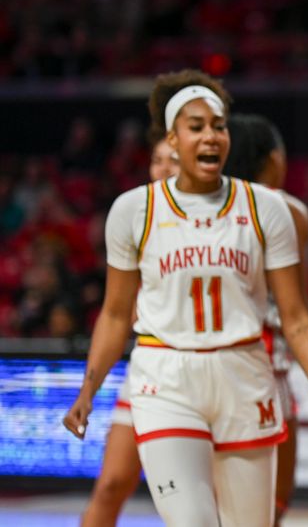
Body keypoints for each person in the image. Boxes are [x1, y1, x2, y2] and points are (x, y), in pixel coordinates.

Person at [63, 69, 308, 527]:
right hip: (166, 375)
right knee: (191, 520)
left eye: (218, 125)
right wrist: (89, 388)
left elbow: (297, 317)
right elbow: (115, 314)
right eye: (196, 127)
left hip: (243, 372)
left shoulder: (266, 208)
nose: (211, 135)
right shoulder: (134, 209)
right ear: (172, 141)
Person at [223, 113, 308, 525]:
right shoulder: (289, 210)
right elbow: (295, 305)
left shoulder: (205, 207)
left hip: (209, 353)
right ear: (272, 158)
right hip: (263, 356)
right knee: (271, 501)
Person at [80, 135, 179, 527]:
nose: (164, 169)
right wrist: (89, 389)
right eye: (157, 160)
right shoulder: (136, 217)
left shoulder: (220, 220)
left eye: (173, 160)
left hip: (203, 368)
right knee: (111, 484)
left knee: (193, 502)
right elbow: (115, 312)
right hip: (149, 366)